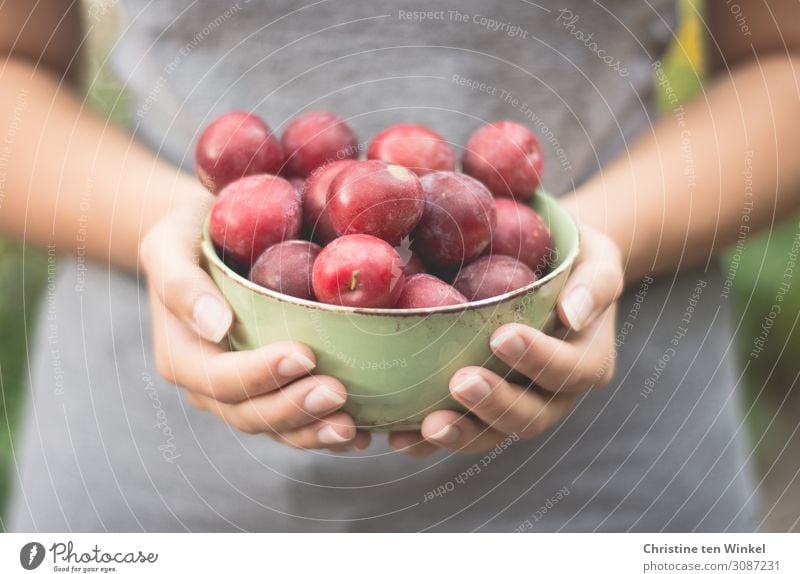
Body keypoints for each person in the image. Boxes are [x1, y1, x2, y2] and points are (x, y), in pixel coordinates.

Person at [2, 0, 799, 532]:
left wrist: (582, 251)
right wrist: (180, 233)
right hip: (151, 473)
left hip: (609, 469)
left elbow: (784, 63)